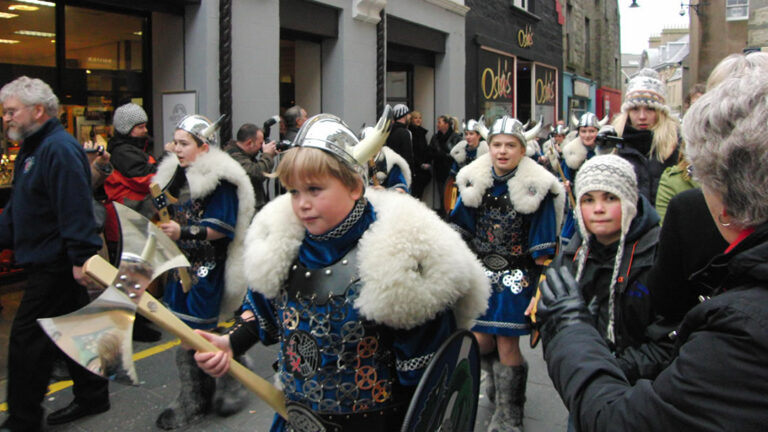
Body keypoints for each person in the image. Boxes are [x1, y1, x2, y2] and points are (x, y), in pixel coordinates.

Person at [193, 109, 490, 432]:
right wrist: (230, 342)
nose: (302, 203)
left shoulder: (401, 260)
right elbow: (261, 307)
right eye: (294, 191)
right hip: (295, 420)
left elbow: (430, 382)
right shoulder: (285, 244)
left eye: (315, 189)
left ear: (354, 186)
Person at [537, 68, 768, 432]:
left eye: (701, 175)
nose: (598, 207)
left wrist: (569, 328)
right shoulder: (577, 249)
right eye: (589, 201)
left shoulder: (738, 325)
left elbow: (621, 418)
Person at [0, 76, 110, 431]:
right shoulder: (33, 148)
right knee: (76, 329)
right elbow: (23, 208)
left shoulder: (57, 148)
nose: (6, 118)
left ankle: (24, 418)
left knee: (26, 343)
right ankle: (93, 395)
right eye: (4, 112)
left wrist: (80, 258)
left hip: (57, 262)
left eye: (11, 111)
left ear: (37, 110)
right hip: (50, 258)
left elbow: (75, 206)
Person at [450, 115, 563, 432]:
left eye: (510, 145)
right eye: (496, 144)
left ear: (522, 149)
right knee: (480, 341)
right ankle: (499, 390)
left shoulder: (536, 188)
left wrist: (540, 292)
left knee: (506, 344)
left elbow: (544, 246)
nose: (502, 151)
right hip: (481, 274)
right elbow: (460, 228)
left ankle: (510, 415)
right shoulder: (475, 182)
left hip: (517, 278)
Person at [153, 114, 255, 429]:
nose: (176, 148)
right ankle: (206, 389)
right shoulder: (176, 175)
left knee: (196, 333)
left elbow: (221, 227)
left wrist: (182, 232)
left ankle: (207, 392)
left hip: (208, 268)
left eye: (184, 143)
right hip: (181, 266)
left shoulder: (220, 181)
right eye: (175, 142)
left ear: (203, 146)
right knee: (186, 330)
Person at [552, 155, 669, 385]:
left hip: (641, 390)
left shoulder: (658, 254)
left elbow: (668, 339)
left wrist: (612, 368)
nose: (598, 209)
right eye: (588, 199)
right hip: (583, 384)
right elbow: (550, 325)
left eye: (610, 198)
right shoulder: (572, 254)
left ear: (629, 200)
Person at [612, 68, 679, 204]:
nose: (642, 117)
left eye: (650, 109)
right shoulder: (614, 143)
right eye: (635, 109)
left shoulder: (676, 144)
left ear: (660, 112)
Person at [559, 113, 601, 243]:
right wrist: (565, 184)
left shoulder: (605, 151)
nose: (587, 135)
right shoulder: (571, 153)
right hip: (576, 202)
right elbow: (564, 177)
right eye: (583, 131)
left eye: (591, 131)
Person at [224, 123, 277, 211]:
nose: (261, 147)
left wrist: (269, 155)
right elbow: (257, 174)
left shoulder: (244, 154)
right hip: (244, 213)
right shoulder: (233, 156)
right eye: (260, 143)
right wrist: (267, 155)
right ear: (249, 143)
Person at [428, 115, 462, 215]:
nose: (437, 125)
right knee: (442, 195)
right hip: (439, 170)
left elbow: (458, 155)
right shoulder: (435, 137)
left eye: (440, 122)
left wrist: (442, 155)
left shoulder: (456, 137)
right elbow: (430, 152)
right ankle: (444, 214)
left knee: (452, 195)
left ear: (447, 124)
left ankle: (452, 215)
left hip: (452, 171)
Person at [384, 104, 415, 173]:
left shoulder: (389, 131)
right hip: (402, 171)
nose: (410, 117)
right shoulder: (405, 133)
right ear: (404, 116)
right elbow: (407, 155)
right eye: (408, 114)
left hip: (391, 169)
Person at [408, 110, 431, 199]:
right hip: (416, 166)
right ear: (412, 119)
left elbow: (424, 149)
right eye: (416, 118)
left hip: (423, 167)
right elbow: (412, 150)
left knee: (419, 191)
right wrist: (420, 163)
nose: (418, 120)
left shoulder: (422, 133)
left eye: (420, 118)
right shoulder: (410, 133)